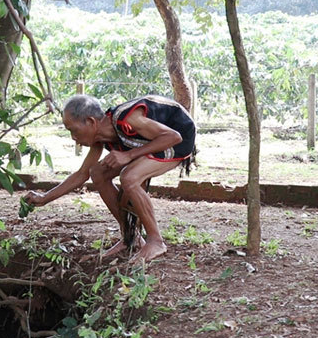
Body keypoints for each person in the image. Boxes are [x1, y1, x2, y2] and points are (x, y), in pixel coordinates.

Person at [24, 94, 196, 262]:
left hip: (178, 138)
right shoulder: (101, 137)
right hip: (151, 142)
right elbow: (82, 174)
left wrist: (129, 155)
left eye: (73, 130)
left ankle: (155, 242)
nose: (73, 138)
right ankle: (131, 237)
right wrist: (44, 198)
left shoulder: (127, 119)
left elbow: (173, 137)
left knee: (129, 177)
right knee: (98, 173)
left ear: (91, 122)